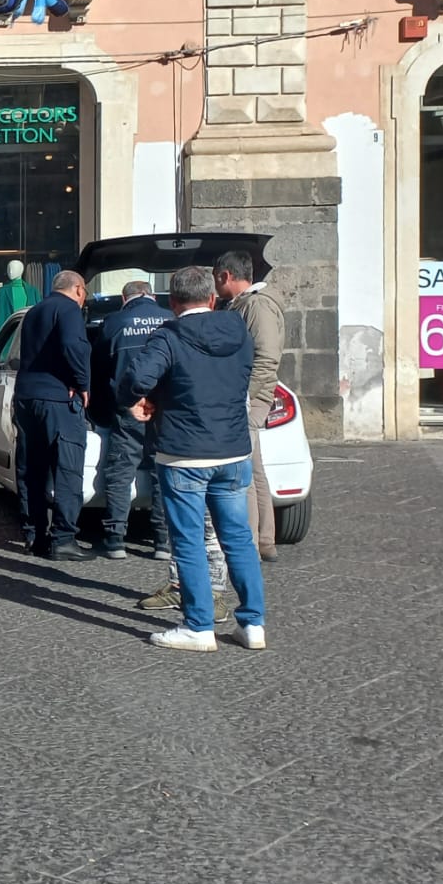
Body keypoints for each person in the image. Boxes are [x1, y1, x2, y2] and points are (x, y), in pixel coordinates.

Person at [118, 265, 267, 653]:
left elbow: (135, 379)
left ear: (173, 302)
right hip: (234, 449)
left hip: (184, 453)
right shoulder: (239, 331)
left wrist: (148, 400)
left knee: (188, 542)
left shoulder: (169, 336)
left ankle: (198, 626)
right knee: (238, 540)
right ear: (212, 298)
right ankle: (253, 624)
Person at [12, 269, 94, 560]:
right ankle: (63, 539)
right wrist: (83, 383)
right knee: (67, 468)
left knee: (32, 470)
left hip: (26, 397)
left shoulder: (34, 312)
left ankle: (34, 536)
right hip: (58, 399)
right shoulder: (69, 309)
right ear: (78, 290)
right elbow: (74, 346)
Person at [90, 280, 174, 561]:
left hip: (128, 407)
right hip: (165, 409)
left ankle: (115, 540)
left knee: (120, 472)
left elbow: (99, 370)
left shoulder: (114, 322)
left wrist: (101, 411)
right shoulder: (170, 319)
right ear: (150, 295)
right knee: (163, 472)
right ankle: (163, 541)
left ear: (125, 298)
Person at [214, 249, 284, 562]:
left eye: (217, 279)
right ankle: (265, 539)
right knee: (254, 469)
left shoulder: (257, 306)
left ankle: (252, 544)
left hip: (249, 399)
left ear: (225, 276)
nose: (215, 287)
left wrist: (242, 397)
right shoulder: (245, 305)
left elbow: (266, 358)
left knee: (244, 473)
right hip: (249, 396)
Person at [0, 259, 39, 338]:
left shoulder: (33, 291)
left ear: (21, 270)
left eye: (14, 269)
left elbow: (39, 313)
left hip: (27, 332)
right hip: (8, 333)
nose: (11, 271)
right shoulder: (2, 292)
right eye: (9, 269)